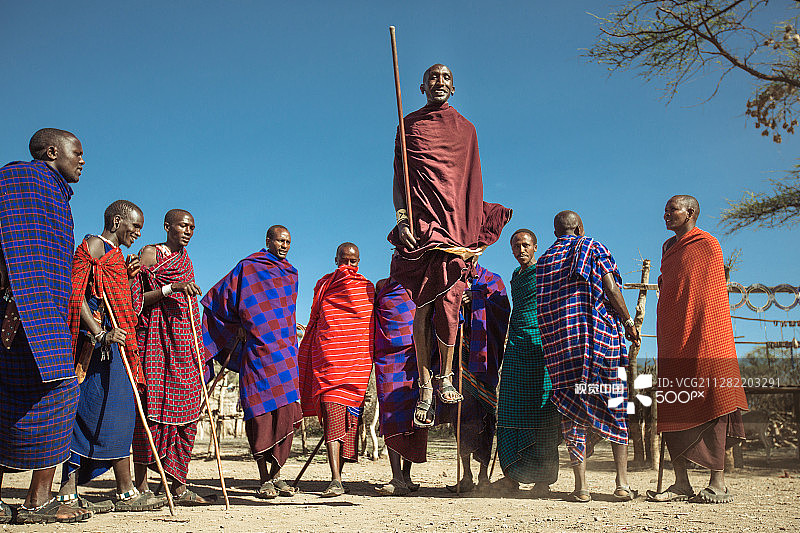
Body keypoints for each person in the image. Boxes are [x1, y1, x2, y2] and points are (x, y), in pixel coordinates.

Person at [387, 64, 512, 428]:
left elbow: (471, 182)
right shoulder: (408, 125)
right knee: (423, 304)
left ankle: (444, 378)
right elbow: (400, 177)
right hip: (422, 225)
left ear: (453, 88)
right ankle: (426, 385)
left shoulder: (467, 130)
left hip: (456, 224)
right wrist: (402, 219)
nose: (438, 82)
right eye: (432, 78)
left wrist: (472, 231)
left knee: (450, 300)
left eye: (445, 78)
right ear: (421, 86)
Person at [0, 129, 90, 524]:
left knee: (44, 399)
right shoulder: (17, 181)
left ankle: (38, 500)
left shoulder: (57, 198)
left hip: (47, 315)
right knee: (56, 394)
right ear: (53, 151)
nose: (82, 161)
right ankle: (37, 502)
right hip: (16, 310)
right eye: (78, 153)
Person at [59, 200, 165, 514]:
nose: (137, 233)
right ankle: (68, 491)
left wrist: (131, 276)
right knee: (85, 412)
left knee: (119, 413)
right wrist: (98, 332)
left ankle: (125, 490)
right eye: (135, 226)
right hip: (97, 348)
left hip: (118, 346)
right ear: (118, 221)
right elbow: (76, 293)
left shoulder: (119, 257)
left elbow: (127, 306)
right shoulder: (94, 245)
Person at [647, 195, 748, 504]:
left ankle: (717, 483)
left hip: (705, 333)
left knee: (712, 397)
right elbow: (671, 287)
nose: (665, 214)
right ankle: (681, 483)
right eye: (664, 209)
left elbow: (709, 293)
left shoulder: (707, 244)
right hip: (674, 335)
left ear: (689, 212)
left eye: (671, 210)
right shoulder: (667, 248)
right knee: (674, 400)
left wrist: (701, 329)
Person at [536, 211, 640, 503]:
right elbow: (611, 287)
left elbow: (544, 309)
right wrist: (629, 322)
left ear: (556, 231)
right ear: (579, 228)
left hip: (562, 348)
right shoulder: (593, 247)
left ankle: (581, 487)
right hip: (599, 342)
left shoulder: (543, 262)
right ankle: (621, 484)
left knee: (572, 413)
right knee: (615, 404)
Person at [201, 225, 302, 500]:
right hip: (257, 354)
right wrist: (236, 327)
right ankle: (263, 479)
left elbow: (285, 314)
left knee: (285, 415)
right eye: (279, 240)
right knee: (258, 416)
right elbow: (217, 298)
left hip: (285, 354)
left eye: (288, 242)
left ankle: (277, 476)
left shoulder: (291, 274)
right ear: (268, 241)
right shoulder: (249, 267)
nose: (284, 245)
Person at [130, 209, 214, 504]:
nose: (188, 231)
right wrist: (170, 288)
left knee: (189, 411)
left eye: (192, 226)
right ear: (167, 227)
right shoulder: (151, 254)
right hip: (155, 345)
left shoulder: (186, 261)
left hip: (184, 346)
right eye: (183, 225)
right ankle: (140, 488)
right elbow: (133, 299)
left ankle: (178, 484)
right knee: (150, 414)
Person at [298, 243, 374, 497]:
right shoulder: (324, 285)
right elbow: (318, 319)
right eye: (345, 261)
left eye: (354, 262)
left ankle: (338, 477)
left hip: (356, 366)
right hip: (329, 362)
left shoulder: (367, 289)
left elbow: (367, 326)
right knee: (332, 419)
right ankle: (335, 480)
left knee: (349, 424)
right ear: (336, 260)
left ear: (359, 262)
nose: (349, 267)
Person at [493, 229, 561, 496]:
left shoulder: (544, 271)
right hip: (516, 346)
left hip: (541, 347)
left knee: (542, 412)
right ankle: (512, 476)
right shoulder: (514, 276)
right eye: (516, 246)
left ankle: (543, 481)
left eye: (525, 245)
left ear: (535, 247)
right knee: (509, 408)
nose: (521, 250)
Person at [438, 262, 510, 493]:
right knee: (462, 417)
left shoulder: (493, 280)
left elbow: (502, 312)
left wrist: (478, 298)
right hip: (460, 359)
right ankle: (467, 475)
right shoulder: (450, 279)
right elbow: (440, 313)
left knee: (486, 418)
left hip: (485, 360)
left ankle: (483, 476)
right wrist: (457, 302)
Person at [372, 277, 426, 496]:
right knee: (391, 416)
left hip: (414, 357)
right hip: (387, 358)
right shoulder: (381, 286)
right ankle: (396, 477)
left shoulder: (420, 284)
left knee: (412, 417)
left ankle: (406, 476)